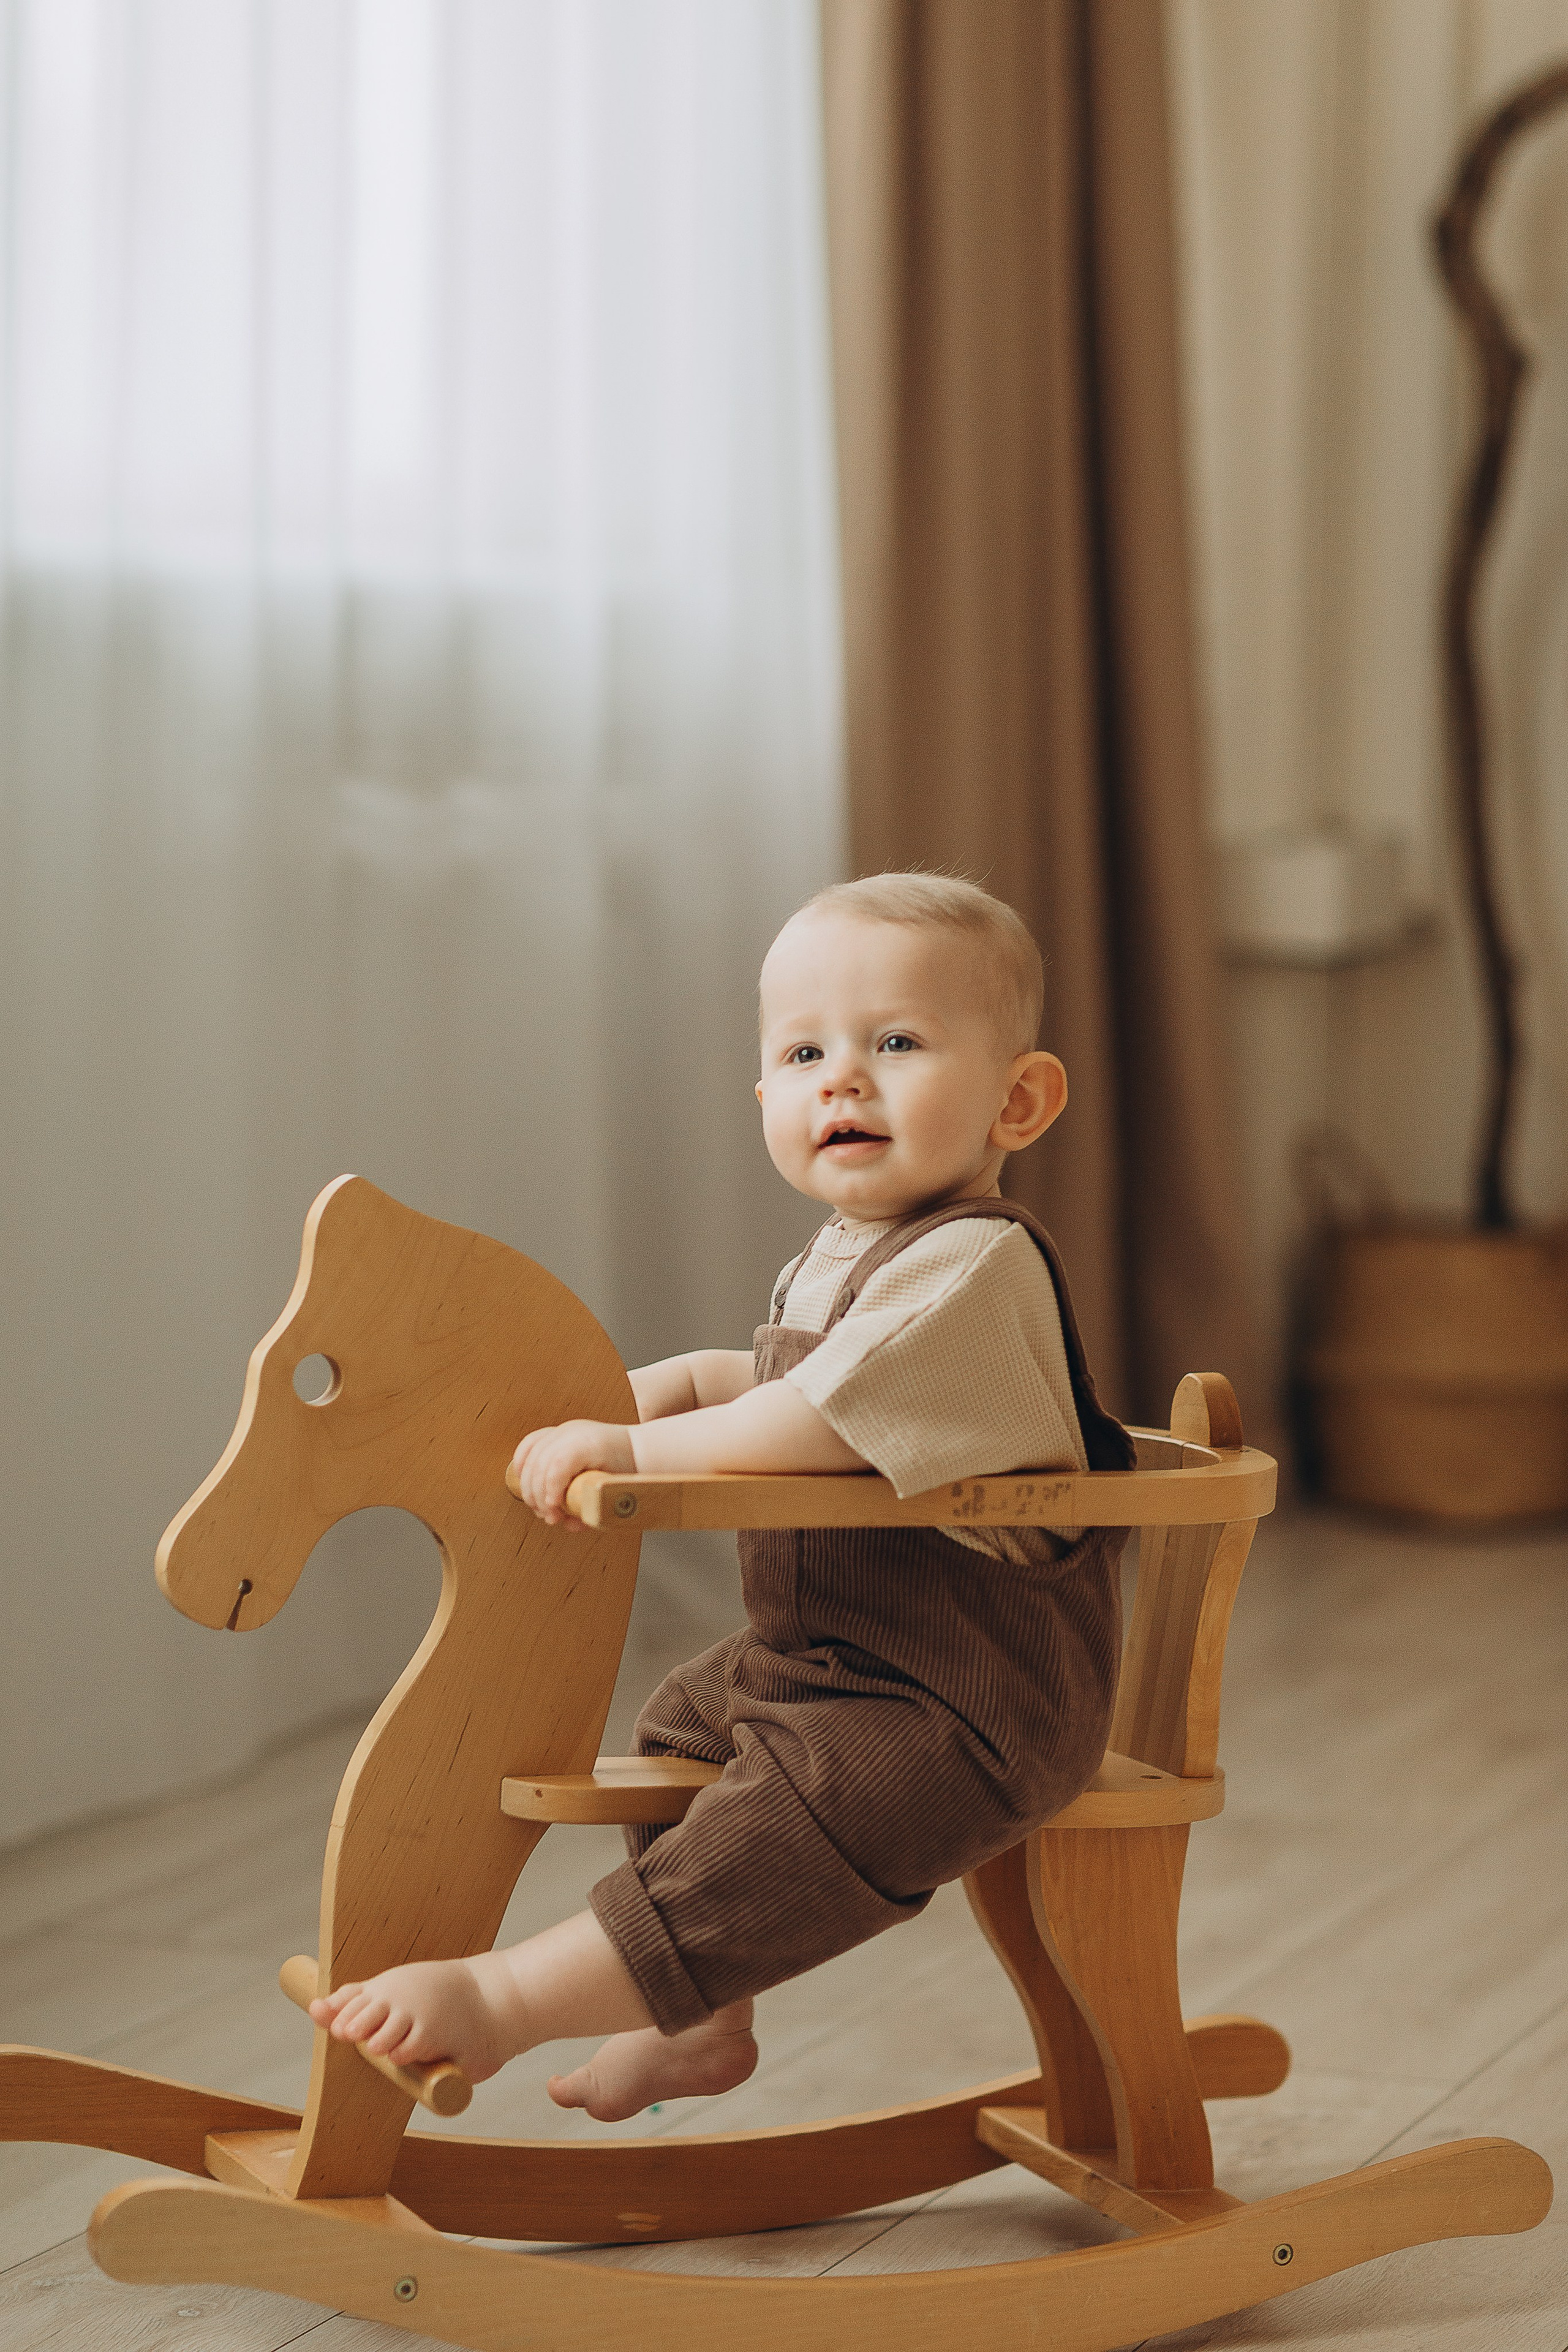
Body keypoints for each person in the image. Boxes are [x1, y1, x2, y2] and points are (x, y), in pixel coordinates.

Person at [310, 873, 1132, 2120]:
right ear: (766, 1100)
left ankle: (509, 2000)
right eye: (804, 1053)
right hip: (835, 1657)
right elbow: (746, 1376)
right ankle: (696, 2021)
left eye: (895, 1044)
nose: (841, 1080)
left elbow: (812, 1419)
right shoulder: (840, 1260)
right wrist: (626, 1398)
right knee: (688, 1726)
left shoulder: (977, 1265)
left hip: (968, 1699)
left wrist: (634, 1455)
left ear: (1016, 1098)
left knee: (797, 1808)